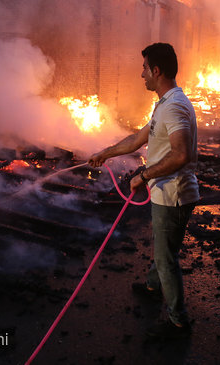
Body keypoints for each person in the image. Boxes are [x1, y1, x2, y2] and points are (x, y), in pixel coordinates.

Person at [88, 42, 199, 339]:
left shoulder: (174, 106)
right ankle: (152, 287)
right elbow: (138, 139)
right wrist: (106, 152)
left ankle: (178, 319)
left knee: (166, 257)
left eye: (144, 69)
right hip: (168, 192)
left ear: (157, 70)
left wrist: (143, 175)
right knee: (165, 248)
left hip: (173, 195)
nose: (142, 75)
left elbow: (181, 155)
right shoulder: (165, 103)